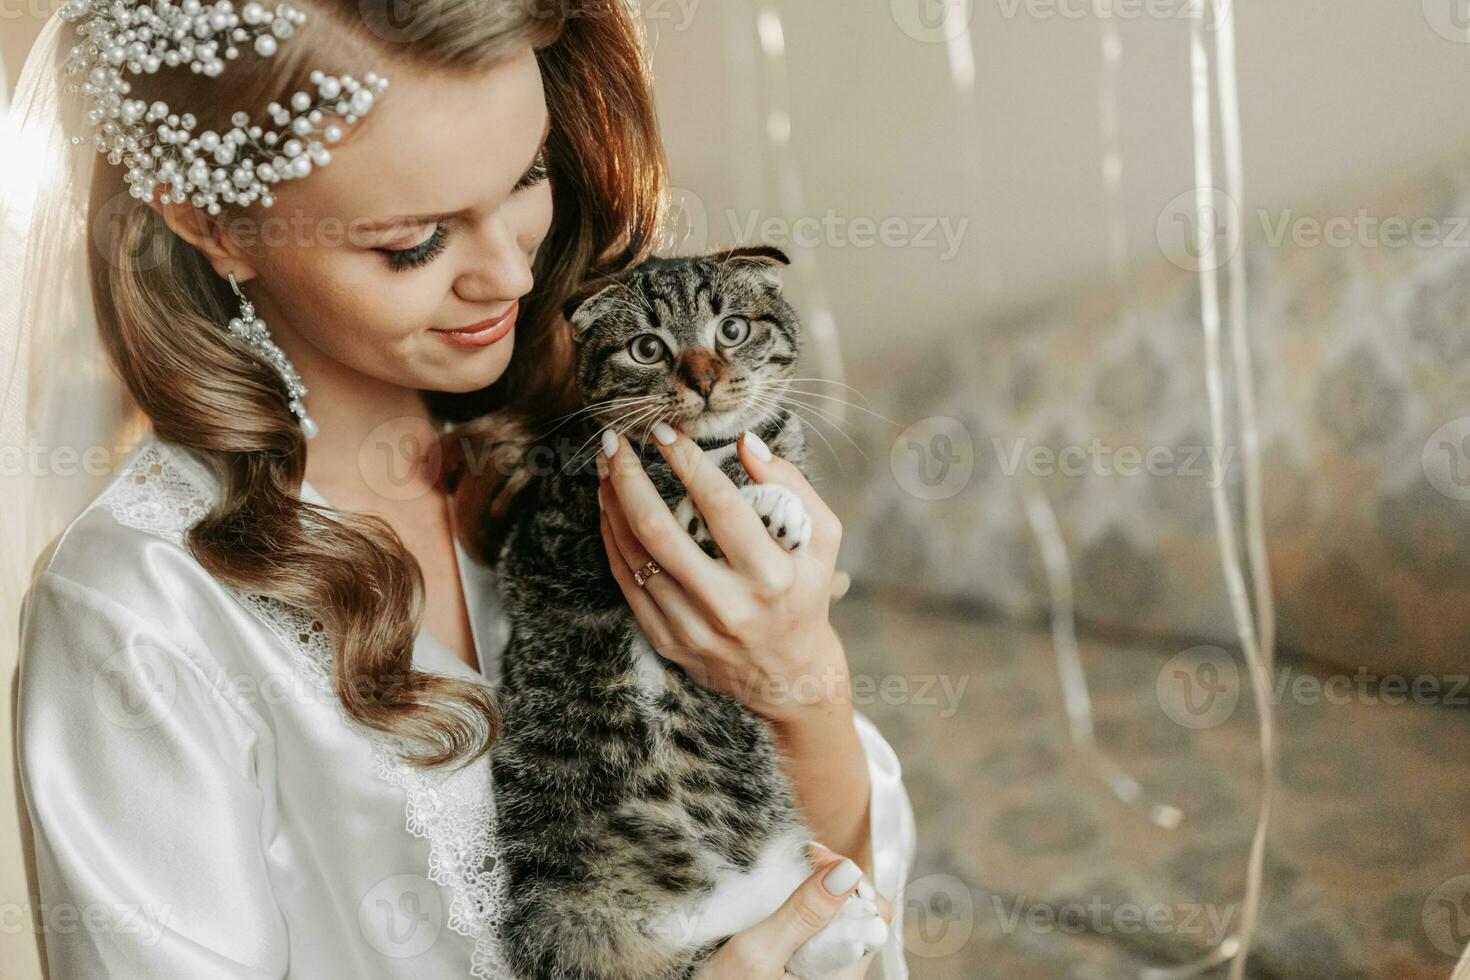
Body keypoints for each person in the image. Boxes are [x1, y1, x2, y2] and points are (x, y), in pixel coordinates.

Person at [1, 0, 916, 976]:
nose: (512, 274)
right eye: (414, 241)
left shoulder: (603, 441)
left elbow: (843, 903)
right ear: (213, 222)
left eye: (528, 175)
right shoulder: (142, 616)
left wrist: (798, 676)